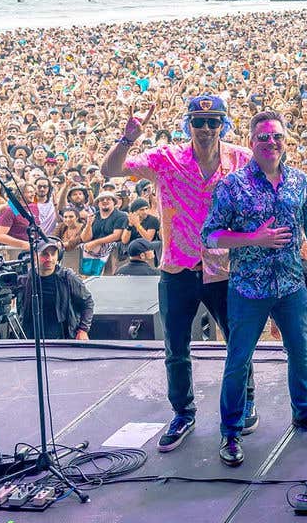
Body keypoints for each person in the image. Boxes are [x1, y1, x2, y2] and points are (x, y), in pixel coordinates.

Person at [101, 94, 258, 453]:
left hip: (225, 267)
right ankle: (183, 412)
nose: (205, 128)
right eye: (199, 122)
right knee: (176, 347)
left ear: (224, 124)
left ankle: (245, 401)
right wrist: (128, 138)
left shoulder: (241, 159)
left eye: (213, 121)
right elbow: (110, 171)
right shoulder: (165, 158)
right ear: (188, 124)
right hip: (177, 266)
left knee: (239, 342)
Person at [203, 110, 307, 467]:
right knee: (238, 360)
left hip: (292, 283)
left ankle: (304, 412)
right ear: (251, 143)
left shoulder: (300, 182)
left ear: (285, 140)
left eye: (276, 136)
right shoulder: (232, 186)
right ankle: (230, 432)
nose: (270, 143)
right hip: (248, 288)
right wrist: (254, 238)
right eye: (263, 137)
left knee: (300, 352)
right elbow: (210, 235)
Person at [14, 237, 93, 340]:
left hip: (62, 338)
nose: (50, 259)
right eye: (45, 254)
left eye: (53, 254)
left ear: (58, 256)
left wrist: (83, 330)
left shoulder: (67, 277)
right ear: (34, 255)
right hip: (31, 339)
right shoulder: (25, 279)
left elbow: (87, 302)